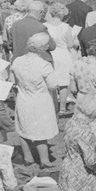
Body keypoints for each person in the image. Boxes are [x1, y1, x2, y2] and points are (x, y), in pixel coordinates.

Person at [11, 32, 60, 174]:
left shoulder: (17, 61)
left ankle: (28, 157)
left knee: (23, 127)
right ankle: (44, 160)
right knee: (40, 130)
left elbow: (13, 81)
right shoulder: (44, 65)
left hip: (23, 97)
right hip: (40, 99)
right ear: (43, 48)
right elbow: (53, 85)